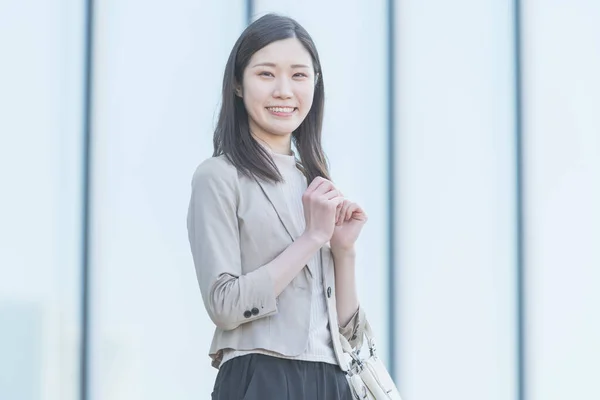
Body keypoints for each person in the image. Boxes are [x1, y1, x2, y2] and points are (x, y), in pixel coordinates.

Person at [186, 13, 368, 399]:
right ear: (238, 83)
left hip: (333, 382)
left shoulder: (316, 184)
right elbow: (224, 304)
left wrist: (343, 250)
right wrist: (311, 238)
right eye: (266, 74)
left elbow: (346, 333)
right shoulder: (219, 176)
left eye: (299, 75)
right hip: (261, 374)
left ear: (315, 85)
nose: (284, 90)